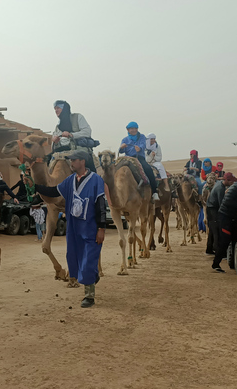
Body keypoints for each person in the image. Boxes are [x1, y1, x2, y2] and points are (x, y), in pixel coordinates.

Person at [33, 150, 105, 308]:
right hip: (73, 226)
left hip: (90, 226)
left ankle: (89, 296)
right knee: (75, 259)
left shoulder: (96, 180)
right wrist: (37, 186)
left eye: (74, 160)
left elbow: (101, 205)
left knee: (87, 261)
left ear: (82, 162)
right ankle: (91, 276)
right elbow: (53, 192)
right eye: (70, 160)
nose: (70, 163)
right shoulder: (69, 181)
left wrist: (101, 228)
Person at [51, 100, 97, 172]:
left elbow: (87, 132)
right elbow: (54, 144)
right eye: (55, 109)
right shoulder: (57, 127)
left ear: (65, 109)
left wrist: (71, 135)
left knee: (91, 174)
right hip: (62, 153)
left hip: (79, 150)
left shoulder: (78, 117)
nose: (56, 110)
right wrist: (56, 142)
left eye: (58, 108)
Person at [119, 122, 159, 201]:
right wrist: (121, 147)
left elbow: (143, 145)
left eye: (135, 128)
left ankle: (154, 192)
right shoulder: (125, 139)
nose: (134, 130)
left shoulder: (142, 137)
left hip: (139, 158)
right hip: (128, 159)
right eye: (132, 129)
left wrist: (140, 148)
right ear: (128, 129)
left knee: (148, 169)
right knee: (116, 170)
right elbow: (120, 151)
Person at [205, 172, 237, 255]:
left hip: (210, 208)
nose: (232, 183)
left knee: (212, 230)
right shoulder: (220, 188)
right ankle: (218, 251)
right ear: (226, 180)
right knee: (217, 230)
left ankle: (209, 249)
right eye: (231, 181)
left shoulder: (219, 184)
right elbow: (221, 204)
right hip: (213, 209)